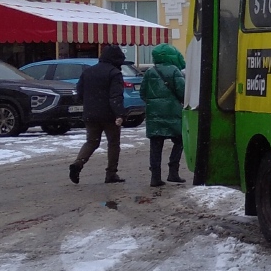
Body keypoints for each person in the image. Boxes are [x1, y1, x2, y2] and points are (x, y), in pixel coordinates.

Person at [69, 44, 127, 184]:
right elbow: (115, 96)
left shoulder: (88, 71)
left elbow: (79, 92)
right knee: (113, 143)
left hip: (90, 114)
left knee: (91, 142)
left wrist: (88, 104)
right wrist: (119, 114)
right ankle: (111, 174)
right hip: (109, 115)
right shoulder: (114, 73)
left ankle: (78, 164)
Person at [140, 43, 187, 187]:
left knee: (156, 145)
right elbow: (182, 92)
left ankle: (155, 177)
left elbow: (142, 93)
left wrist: (154, 104)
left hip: (154, 115)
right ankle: (173, 172)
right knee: (180, 140)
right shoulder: (174, 71)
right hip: (173, 114)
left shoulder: (149, 72)